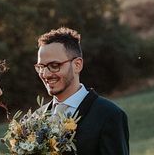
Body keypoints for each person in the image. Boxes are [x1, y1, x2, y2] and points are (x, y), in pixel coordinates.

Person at [35, 27, 130, 155]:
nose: (45, 74)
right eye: (41, 67)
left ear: (77, 65)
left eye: (54, 66)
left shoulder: (109, 115)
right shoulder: (35, 119)